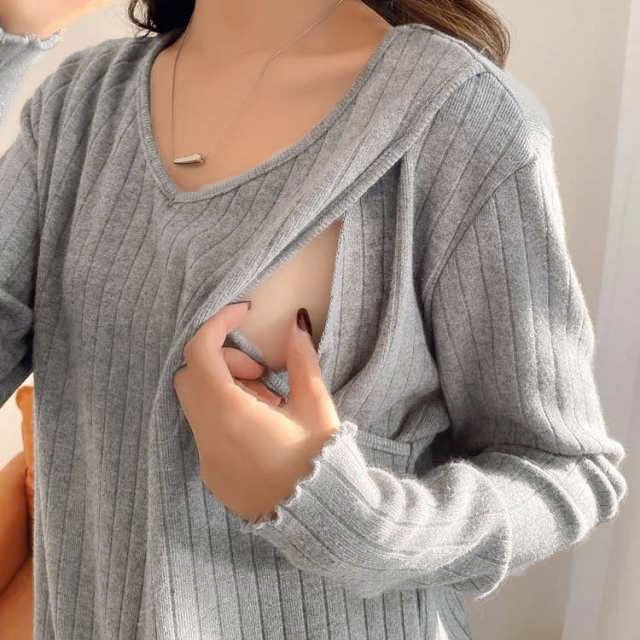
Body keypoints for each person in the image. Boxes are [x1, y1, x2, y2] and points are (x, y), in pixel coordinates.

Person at [0, 1, 628, 638]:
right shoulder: (80, 107)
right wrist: (10, 36)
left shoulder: (458, 117)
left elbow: (565, 471)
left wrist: (353, 519)